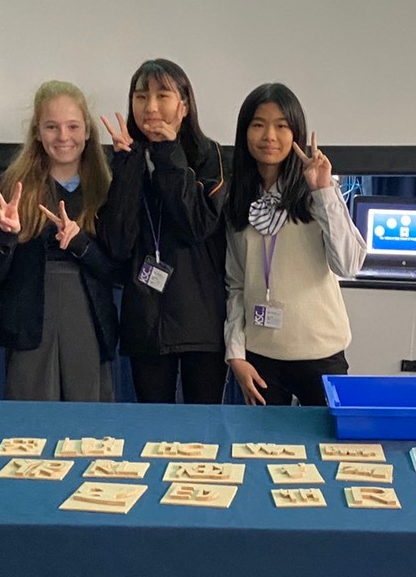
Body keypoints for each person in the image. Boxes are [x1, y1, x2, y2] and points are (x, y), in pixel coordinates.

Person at [223, 83, 366, 406]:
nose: (269, 136)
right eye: (258, 124)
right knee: (262, 439)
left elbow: (349, 264)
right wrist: (236, 353)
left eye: (281, 126)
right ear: (245, 132)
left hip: (321, 352)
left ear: (296, 133)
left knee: (326, 439)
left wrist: (323, 191)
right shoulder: (238, 198)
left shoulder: (317, 192)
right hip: (261, 355)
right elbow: (236, 283)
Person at [97, 58, 230, 404]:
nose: (151, 107)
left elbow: (196, 224)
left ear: (183, 105)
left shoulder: (209, 155)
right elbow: (117, 243)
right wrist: (128, 167)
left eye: (163, 96)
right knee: (153, 427)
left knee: (203, 426)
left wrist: (169, 153)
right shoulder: (127, 156)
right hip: (146, 322)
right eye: (141, 97)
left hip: (201, 321)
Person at [0, 81, 121, 401]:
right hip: (29, 322)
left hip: (88, 318)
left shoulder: (108, 190)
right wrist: (4, 236)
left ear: (87, 131)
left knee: (87, 420)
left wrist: (81, 244)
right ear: (37, 132)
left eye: (73, 126)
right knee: (30, 421)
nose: (63, 136)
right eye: (52, 127)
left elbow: (119, 271)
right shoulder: (12, 190)